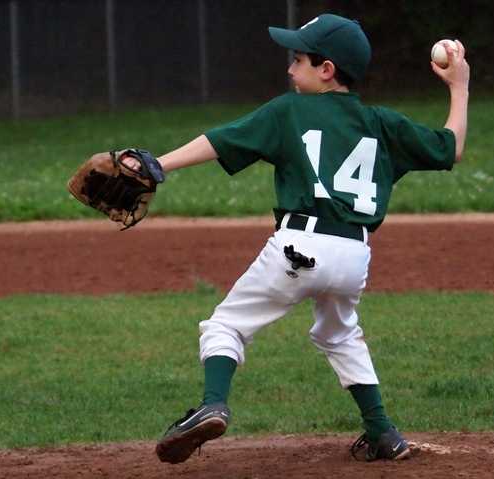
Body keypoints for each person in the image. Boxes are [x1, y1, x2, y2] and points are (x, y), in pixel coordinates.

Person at [146, 13, 470, 464]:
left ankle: (212, 403)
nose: (289, 69)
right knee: (340, 334)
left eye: (297, 59)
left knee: (225, 326)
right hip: (355, 255)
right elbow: (450, 147)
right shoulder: (381, 122)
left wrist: (157, 165)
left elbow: (219, 141)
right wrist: (459, 86)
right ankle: (383, 432)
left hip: (300, 246)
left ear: (327, 69)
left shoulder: (289, 110)